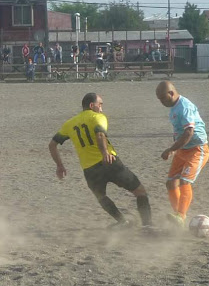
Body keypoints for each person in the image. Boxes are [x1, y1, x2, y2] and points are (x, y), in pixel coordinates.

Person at [49, 93, 152, 228]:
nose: (102, 109)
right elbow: (99, 134)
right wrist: (104, 153)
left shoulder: (70, 123)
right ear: (92, 105)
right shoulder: (98, 117)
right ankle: (147, 225)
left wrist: (60, 166)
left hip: (89, 169)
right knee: (139, 191)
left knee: (101, 197)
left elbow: (52, 145)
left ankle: (122, 221)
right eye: (100, 104)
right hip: (109, 162)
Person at [155, 80, 209, 227]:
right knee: (171, 182)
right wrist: (176, 148)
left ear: (171, 93)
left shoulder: (184, 106)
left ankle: (180, 215)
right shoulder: (174, 107)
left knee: (185, 181)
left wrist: (171, 149)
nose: (161, 102)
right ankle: (178, 215)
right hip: (183, 149)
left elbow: (189, 132)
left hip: (198, 149)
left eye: (163, 98)